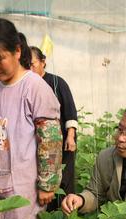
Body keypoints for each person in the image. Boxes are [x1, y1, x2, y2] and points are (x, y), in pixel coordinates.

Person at [0, 18, 63, 219]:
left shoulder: (34, 87)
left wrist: (47, 184)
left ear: (17, 51)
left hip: (25, 181)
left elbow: (51, 140)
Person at [30, 46, 78, 208]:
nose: (30, 69)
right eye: (26, 65)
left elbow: (70, 111)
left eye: (32, 64)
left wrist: (70, 136)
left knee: (64, 176)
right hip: (39, 143)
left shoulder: (57, 82)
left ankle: (66, 209)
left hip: (62, 142)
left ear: (43, 62)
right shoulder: (28, 86)